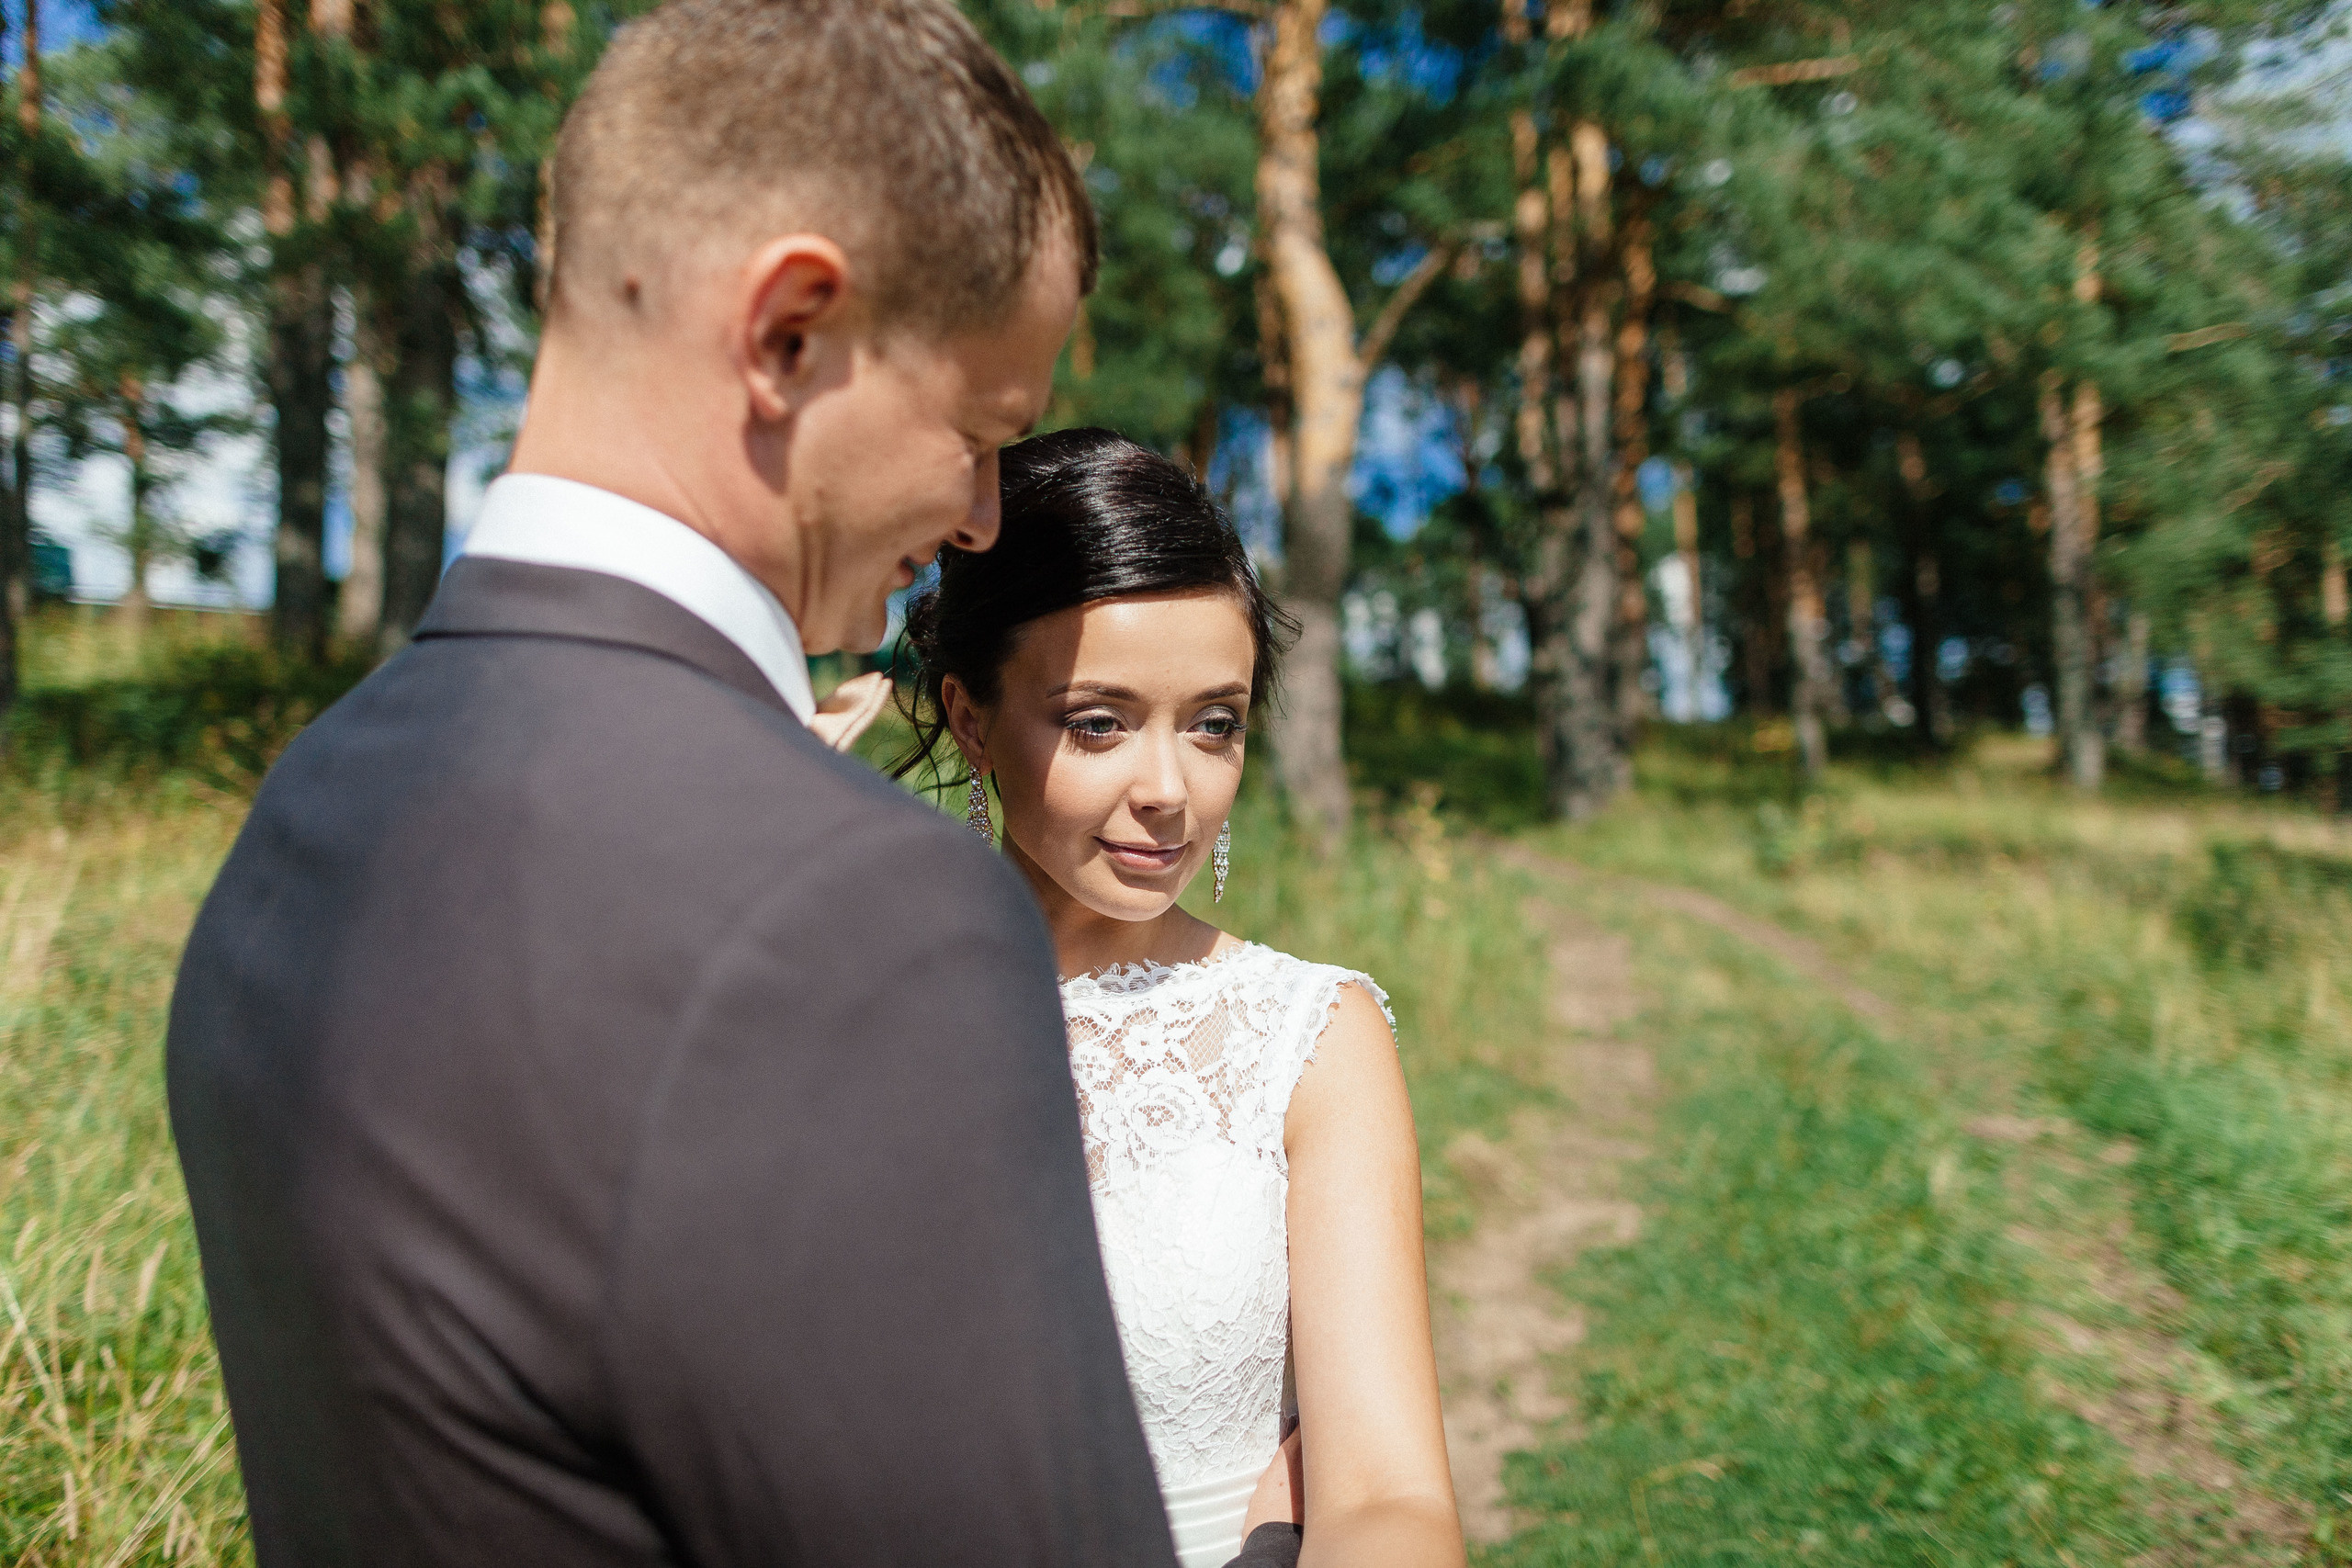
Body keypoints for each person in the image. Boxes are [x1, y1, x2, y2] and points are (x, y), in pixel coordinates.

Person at [165, 4, 1193, 1563]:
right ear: (790, 334)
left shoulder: (308, 803)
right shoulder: (853, 912)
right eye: (984, 431)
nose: (985, 514)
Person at [898, 429, 1467, 1568]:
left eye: (1213, 723)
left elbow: (1390, 1500)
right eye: (1097, 721)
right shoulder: (851, 1016)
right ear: (970, 718)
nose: (1169, 791)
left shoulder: (1309, 1041)